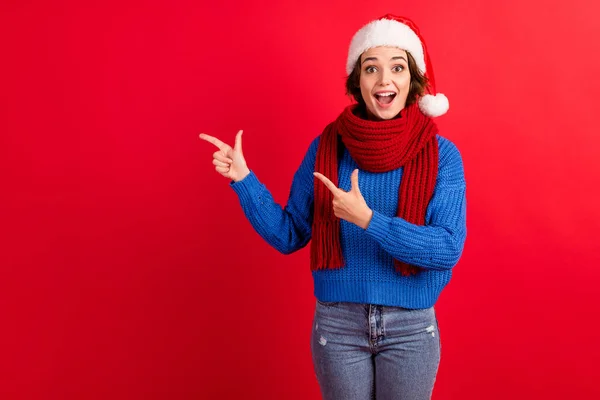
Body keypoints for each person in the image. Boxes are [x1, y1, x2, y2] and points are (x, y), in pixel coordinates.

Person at [199, 14, 466, 400]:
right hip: (338, 326)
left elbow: (447, 247)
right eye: (371, 68)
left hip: (411, 328)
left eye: (397, 67)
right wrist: (244, 179)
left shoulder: (443, 156)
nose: (384, 80)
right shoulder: (327, 148)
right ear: (358, 81)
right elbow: (290, 233)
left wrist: (369, 220)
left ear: (414, 80)